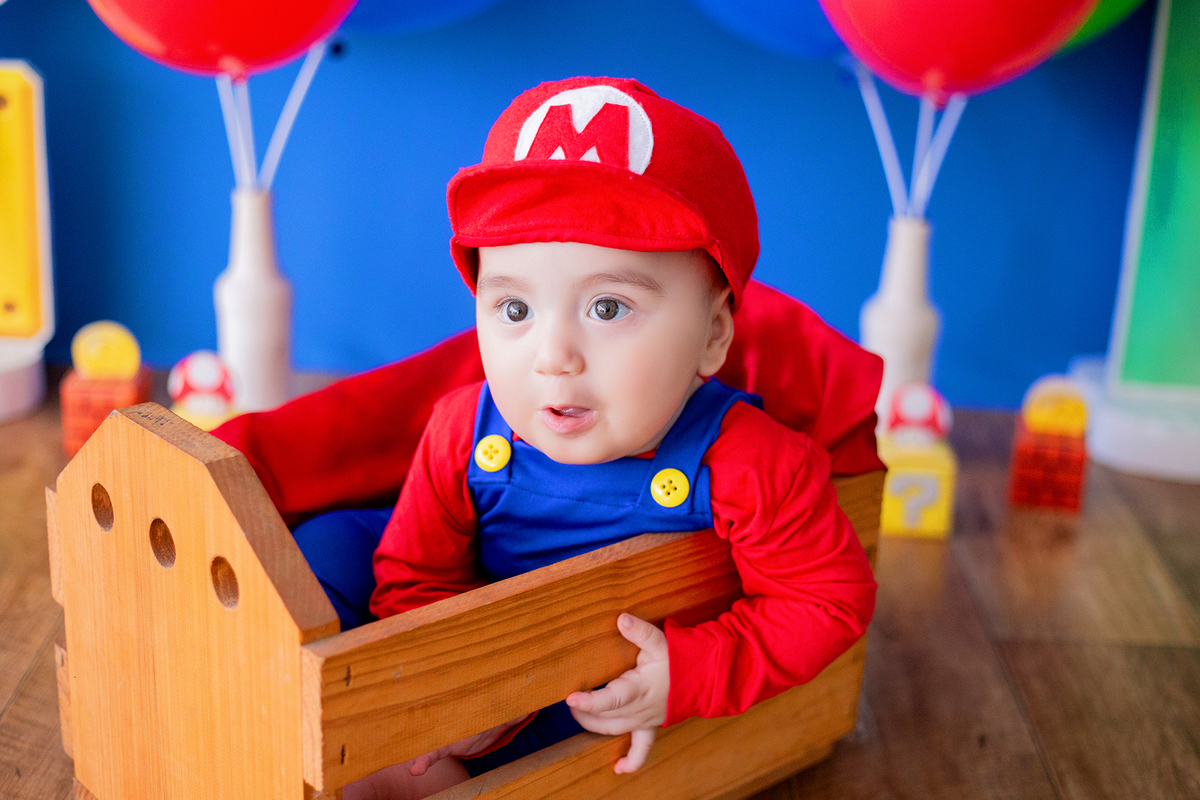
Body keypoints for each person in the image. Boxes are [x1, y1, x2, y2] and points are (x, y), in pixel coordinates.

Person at [215, 76, 882, 799]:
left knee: (572, 731)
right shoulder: (463, 429)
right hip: (481, 640)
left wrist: (688, 672)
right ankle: (279, 720)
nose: (553, 356)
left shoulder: (750, 460)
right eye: (514, 309)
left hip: (587, 677)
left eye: (608, 307)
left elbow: (826, 602)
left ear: (714, 334)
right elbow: (412, 574)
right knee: (323, 551)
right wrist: (451, 688)